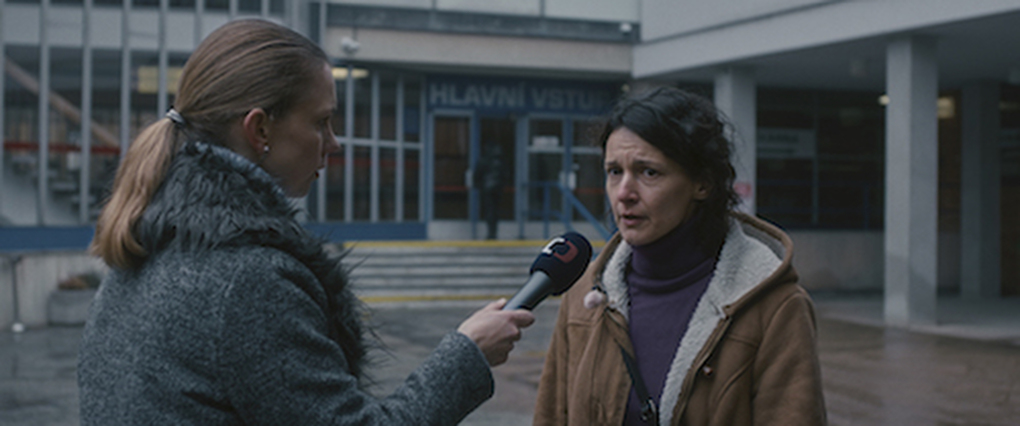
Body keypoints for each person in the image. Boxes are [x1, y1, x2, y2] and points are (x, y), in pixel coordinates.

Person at [78, 19, 534, 425]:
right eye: (321, 122)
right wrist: (467, 353)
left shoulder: (145, 250)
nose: (333, 143)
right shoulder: (248, 282)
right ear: (259, 129)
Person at [533, 87, 826, 426]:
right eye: (614, 171)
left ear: (702, 183)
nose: (624, 193)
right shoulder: (586, 293)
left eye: (649, 172)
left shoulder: (774, 306)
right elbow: (551, 415)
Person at [475, 143, 504, 240]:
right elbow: (505, 175)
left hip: (487, 190)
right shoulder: (500, 162)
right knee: (495, 211)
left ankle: (491, 233)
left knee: (489, 211)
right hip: (497, 189)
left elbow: (477, 175)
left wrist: (479, 186)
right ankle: (493, 232)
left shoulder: (483, 161)